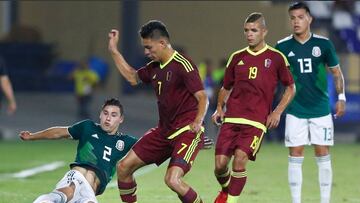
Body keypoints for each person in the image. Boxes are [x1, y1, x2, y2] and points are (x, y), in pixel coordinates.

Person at [108, 20, 208, 203]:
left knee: (172, 180)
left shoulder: (183, 64)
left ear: (162, 43)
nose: (146, 52)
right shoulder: (154, 67)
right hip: (163, 132)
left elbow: (202, 97)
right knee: (123, 167)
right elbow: (132, 77)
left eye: (149, 47)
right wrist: (114, 51)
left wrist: (198, 121)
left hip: (186, 132)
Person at [212, 12, 296, 203]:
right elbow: (226, 87)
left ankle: (230, 201)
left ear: (264, 32)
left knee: (240, 160)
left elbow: (291, 87)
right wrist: (219, 108)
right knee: (219, 166)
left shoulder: (276, 58)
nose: (250, 34)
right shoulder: (236, 57)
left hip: (256, 121)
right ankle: (226, 190)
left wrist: (277, 111)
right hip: (231, 119)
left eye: (254, 30)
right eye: (247, 30)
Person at [275, 2, 346, 203]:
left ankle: (325, 200)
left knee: (322, 152)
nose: (296, 22)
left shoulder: (324, 44)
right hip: (295, 109)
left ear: (309, 19)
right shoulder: (282, 46)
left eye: (300, 17)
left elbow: (336, 72)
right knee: (295, 153)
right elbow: (273, 77)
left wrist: (341, 98)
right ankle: (296, 201)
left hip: (320, 109)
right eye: (293, 18)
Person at [19, 98, 137, 203]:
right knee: (66, 192)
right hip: (76, 177)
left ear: (121, 119)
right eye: (105, 113)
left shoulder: (125, 141)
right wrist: (32, 136)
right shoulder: (88, 127)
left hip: (89, 192)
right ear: (100, 114)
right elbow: (58, 133)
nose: (108, 118)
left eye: (114, 115)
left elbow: (149, 149)